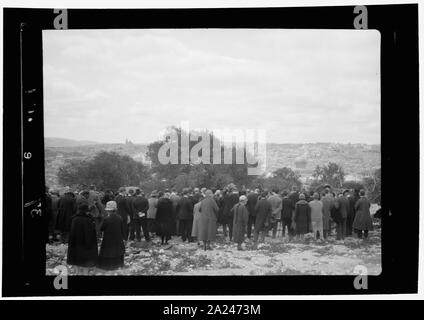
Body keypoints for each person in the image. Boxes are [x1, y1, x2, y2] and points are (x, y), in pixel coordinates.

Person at [67, 203, 98, 275]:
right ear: (86, 211)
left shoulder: (74, 219)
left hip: (75, 243)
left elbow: (72, 232)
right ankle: (85, 273)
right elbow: (90, 233)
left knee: (75, 258)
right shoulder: (88, 220)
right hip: (86, 244)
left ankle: (77, 272)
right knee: (86, 259)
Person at [98, 201, 126, 270]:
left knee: (108, 252)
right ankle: (119, 264)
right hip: (118, 238)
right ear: (115, 210)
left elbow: (101, 228)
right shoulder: (120, 218)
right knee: (117, 251)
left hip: (108, 238)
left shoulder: (106, 219)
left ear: (108, 210)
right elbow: (123, 229)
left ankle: (108, 266)